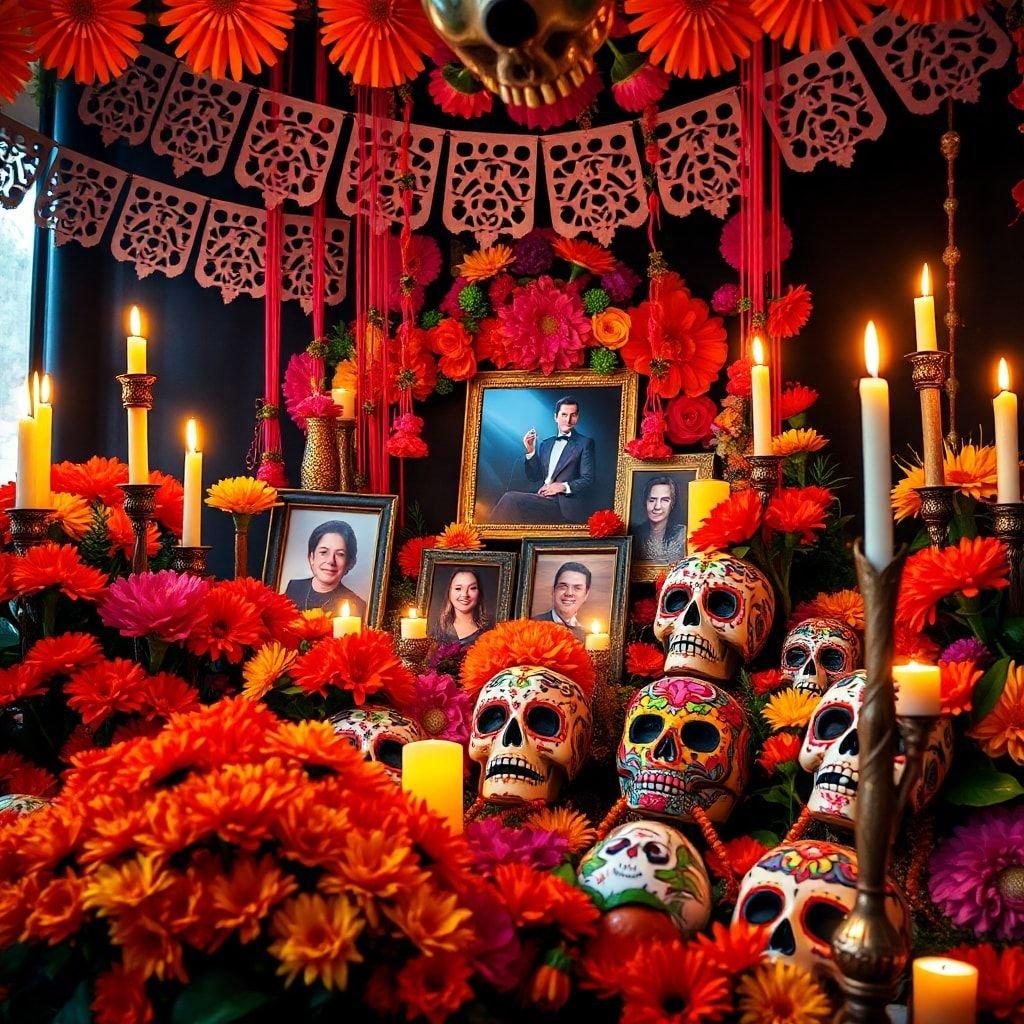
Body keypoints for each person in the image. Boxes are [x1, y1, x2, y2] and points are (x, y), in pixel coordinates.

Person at [490, 395, 595, 525]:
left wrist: (562, 486)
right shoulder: (546, 444)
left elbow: (588, 479)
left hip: (563, 505)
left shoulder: (585, 443)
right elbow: (534, 477)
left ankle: (488, 540)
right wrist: (531, 450)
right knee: (505, 504)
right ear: (555, 417)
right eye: (564, 415)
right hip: (541, 499)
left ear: (577, 417)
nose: (568, 420)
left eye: (573, 415)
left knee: (510, 498)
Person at [284, 520, 367, 616]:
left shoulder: (356, 604)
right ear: (312, 557)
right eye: (324, 552)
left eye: (340, 554)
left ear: (349, 562)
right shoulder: (294, 587)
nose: (331, 561)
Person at [429, 568, 491, 648]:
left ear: (479, 593)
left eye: (472, 588)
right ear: (449, 592)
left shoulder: (489, 630)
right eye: (458, 588)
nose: (465, 594)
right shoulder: (440, 629)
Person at [531, 561, 591, 641]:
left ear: (586, 594)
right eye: (563, 586)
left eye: (577, 588)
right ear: (553, 591)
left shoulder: (590, 636)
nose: (569, 593)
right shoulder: (533, 625)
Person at [634, 475, 687, 563]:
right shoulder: (635, 535)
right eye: (652, 500)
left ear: (672, 504)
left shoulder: (682, 534)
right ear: (645, 502)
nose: (657, 506)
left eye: (665, 500)